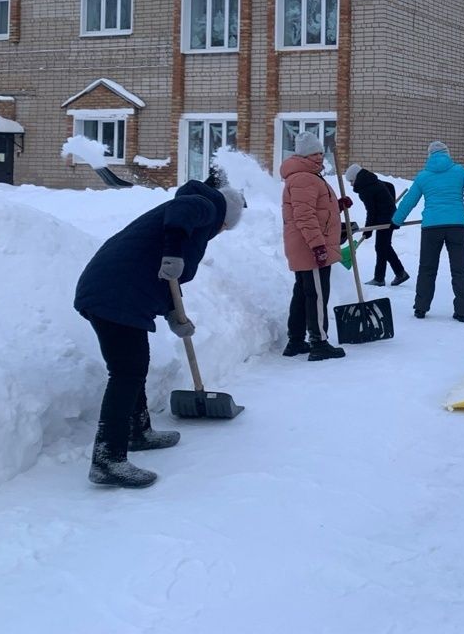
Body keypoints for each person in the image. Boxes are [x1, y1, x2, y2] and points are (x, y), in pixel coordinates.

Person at [74, 173, 245, 488]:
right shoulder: (204, 205)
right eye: (224, 229)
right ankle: (108, 459)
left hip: (113, 290)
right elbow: (181, 217)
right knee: (127, 371)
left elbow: (168, 278)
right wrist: (174, 253)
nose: (219, 233)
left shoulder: (193, 221)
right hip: (115, 293)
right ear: (224, 220)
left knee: (132, 367)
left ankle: (136, 430)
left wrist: (172, 314)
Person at [391, 140, 464, 322]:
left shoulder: (423, 176)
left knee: (427, 268)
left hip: (431, 227)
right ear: (447, 154)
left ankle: (420, 308)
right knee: (460, 269)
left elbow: (409, 201)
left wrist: (396, 221)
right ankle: (462, 312)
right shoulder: (459, 171)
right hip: (457, 226)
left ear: (430, 156)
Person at [281, 132, 349, 361]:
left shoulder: (307, 176)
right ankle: (319, 343)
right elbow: (305, 217)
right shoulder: (304, 178)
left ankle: (296, 341)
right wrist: (318, 246)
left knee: (303, 293)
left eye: (320, 152)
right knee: (318, 295)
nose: (319, 157)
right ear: (303, 155)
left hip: (305, 245)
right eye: (314, 153)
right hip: (311, 247)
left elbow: (316, 211)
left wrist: (336, 206)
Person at [345, 163, 409, 287]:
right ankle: (400, 273)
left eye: (351, 181)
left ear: (357, 178)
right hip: (389, 217)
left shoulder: (365, 189)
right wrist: (391, 206)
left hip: (385, 220)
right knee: (384, 247)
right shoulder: (372, 181)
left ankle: (379, 278)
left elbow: (371, 211)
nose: (351, 184)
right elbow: (389, 186)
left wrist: (368, 230)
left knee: (381, 248)